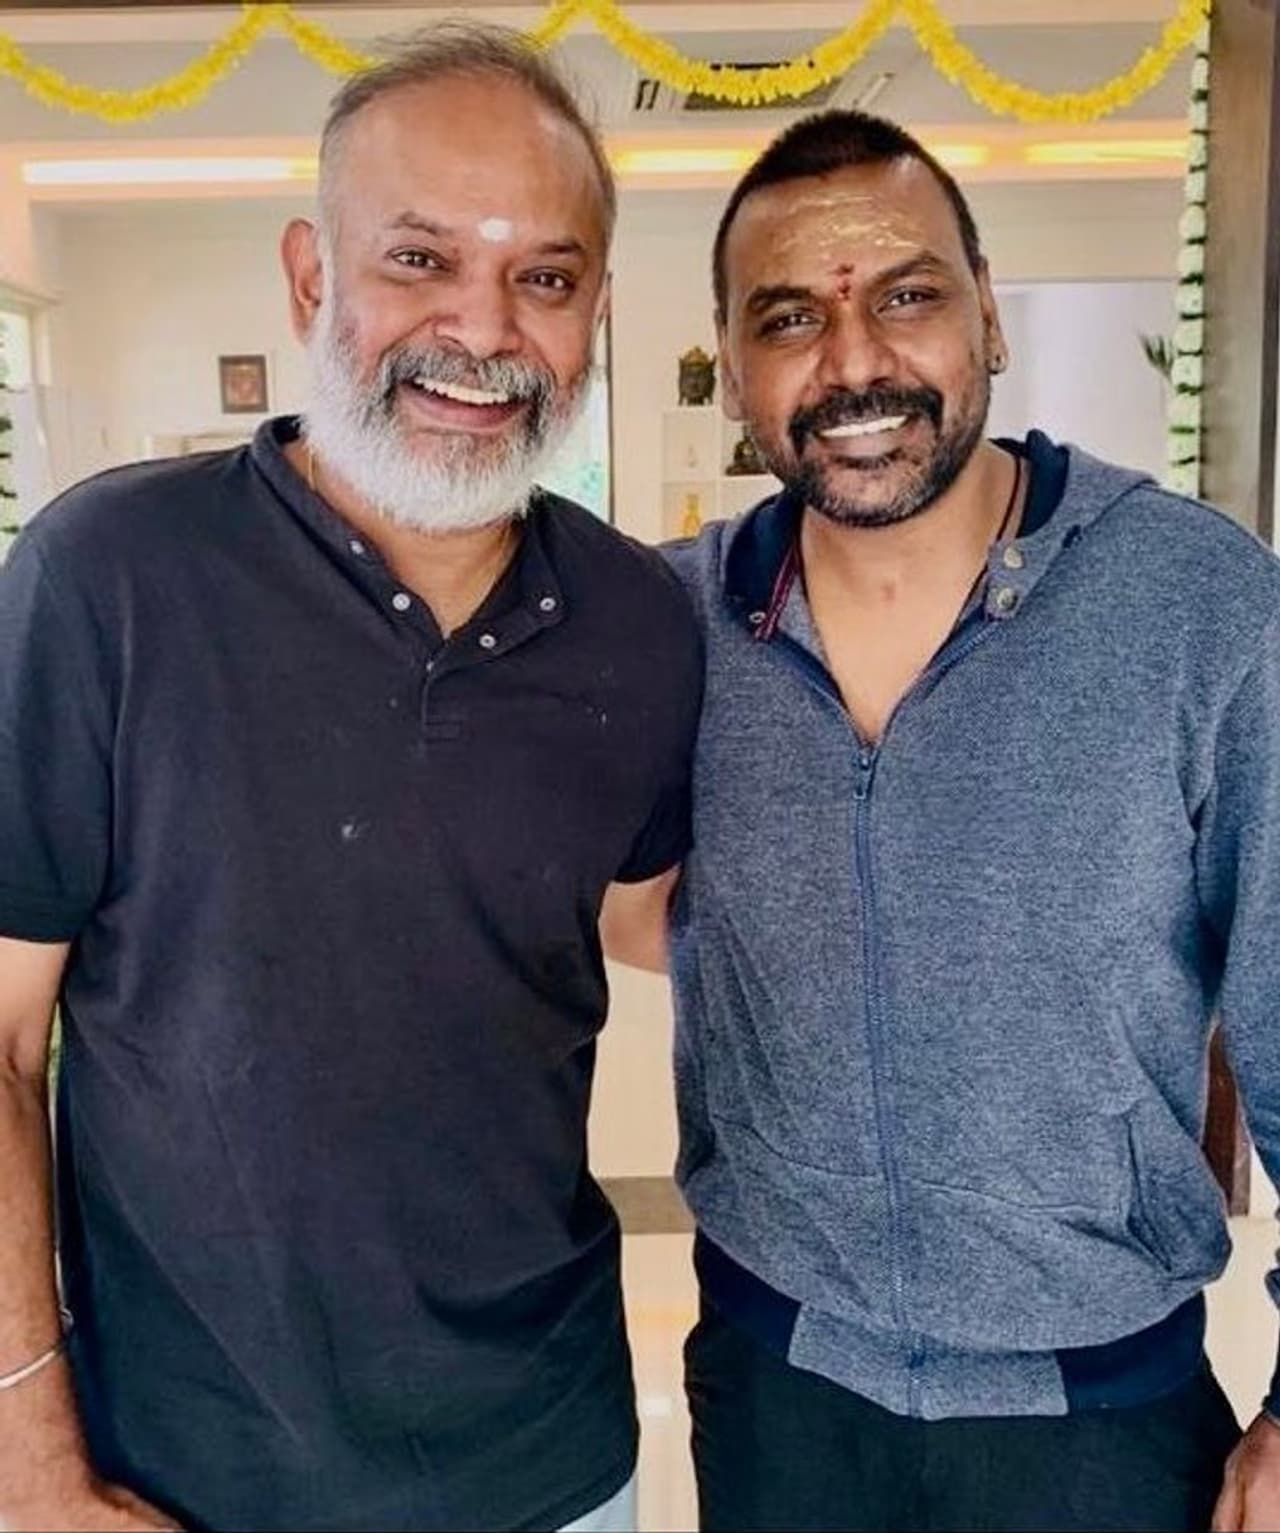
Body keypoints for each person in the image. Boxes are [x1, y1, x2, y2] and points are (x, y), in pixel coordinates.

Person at [0, 25, 699, 1533]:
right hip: (180, 1478)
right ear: (313, 277)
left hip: (556, 1465)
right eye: (420, 259)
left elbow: (647, 912)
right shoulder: (109, 578)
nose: (483, 329)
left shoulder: (640, 622)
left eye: (545, 278)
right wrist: (29, 1461)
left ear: (594, 313)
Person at [607, 109, 1280, 1531]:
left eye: (907, 295)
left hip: (1102, 1412)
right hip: (778, 1388)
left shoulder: (1199, 609)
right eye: (790, 317)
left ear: (989, 312)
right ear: (731, 364)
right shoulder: (672, 624)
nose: (854, 362)